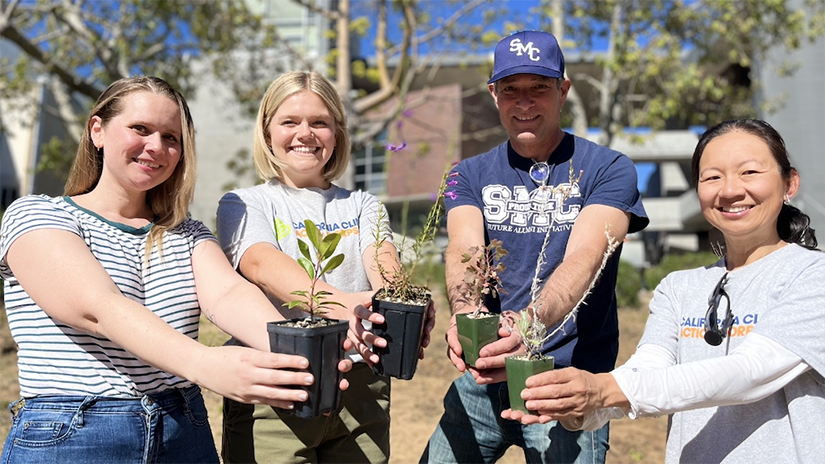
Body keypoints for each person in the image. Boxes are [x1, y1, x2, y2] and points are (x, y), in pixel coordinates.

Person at [0, 76, 346, 464]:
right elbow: (99, 308)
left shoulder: (187, 233)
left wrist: (296, 356)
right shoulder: (37, 213)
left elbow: (228, 294)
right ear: (97, 130)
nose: (156, 147)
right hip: (76, 431)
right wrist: (206, 364)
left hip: (183, 427)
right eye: (141, 129)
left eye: (171, 137)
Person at [503, 118, 825, 464]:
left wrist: (602, 391)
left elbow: (750, 372)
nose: (730, 190)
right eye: (712, 177)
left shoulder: (812, 275)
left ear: (790, 183)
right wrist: (577, 403)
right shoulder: (679, 287)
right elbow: (648, 371)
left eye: (749, 172)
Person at [420, 31, 648, 464]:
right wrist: (466, 315)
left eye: (539, 88)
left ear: (562, 91)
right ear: (494, 95)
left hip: (568, 384)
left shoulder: (608, 168)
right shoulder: (468, 173)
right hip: (483, 382)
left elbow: (586, 256)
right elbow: (465, 251)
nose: (524, 102)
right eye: (511, 90)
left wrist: (528, 327)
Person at [216, 71, 432, 464]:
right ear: (267, 134)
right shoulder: (244, 203)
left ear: (337, 133)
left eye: (320, 122)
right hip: (279, 385)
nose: (306, 133)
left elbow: (383, 260)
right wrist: (342, 305)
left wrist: (402, 303)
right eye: (289, 122)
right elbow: (262, 262)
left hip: (363, 386)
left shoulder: (363, 205)